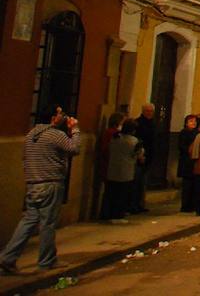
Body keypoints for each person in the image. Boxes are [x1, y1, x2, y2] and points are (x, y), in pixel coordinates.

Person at [0, 108, 80, 275]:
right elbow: (74, 149)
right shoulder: (55, 134)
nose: (63, 115)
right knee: (48, 224)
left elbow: (24, 158)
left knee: (28, 221)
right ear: (52, 118)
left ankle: (7, 258)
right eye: (59, 113)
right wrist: (75, 129)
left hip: (33, 184)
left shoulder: (31, 135)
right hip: (50, 184)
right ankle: (47, 261)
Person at [103, 119, 143, 223]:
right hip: (126, 171)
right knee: (122, 195)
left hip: (112, 169)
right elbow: (139, 155)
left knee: (111, 194)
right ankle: (118, 216)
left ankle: (108, 214)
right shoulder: (134, 141)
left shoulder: (115, 138)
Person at [94, 113, 123, 221]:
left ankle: (106, 213)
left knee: (109, 191)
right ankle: (108, 214)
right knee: (112, 191)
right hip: (111, 165)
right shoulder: (113, 133)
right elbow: (108, 149)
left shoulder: (108, 132)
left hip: (108, 164)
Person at [132, 104, 156, 214]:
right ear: (143, 111)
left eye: (151, 111)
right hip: (140, 157)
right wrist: (140, 155)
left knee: (143, 182)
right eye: (147, 111)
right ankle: (134, 204)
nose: (149, 113)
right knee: (136, 182)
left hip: (149, 156)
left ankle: (140, 204)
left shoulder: (153, 123)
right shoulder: (138, 123)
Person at [177, 115, 200, 213]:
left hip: (195, 162)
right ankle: (185, 206)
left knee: (195, 185)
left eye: (194, 121)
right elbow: (182, 146)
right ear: (186, 123)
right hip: (186, 162)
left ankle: (193, 204)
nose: (193, 123)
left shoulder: (197, 133)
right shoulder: (184, 133)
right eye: (191, 121)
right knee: (187, 185)